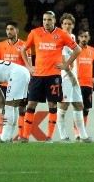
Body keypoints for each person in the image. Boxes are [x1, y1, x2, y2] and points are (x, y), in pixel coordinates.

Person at [19, 11, 82, 142]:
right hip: (38, 75)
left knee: (52, 105)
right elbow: (23, 49)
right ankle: (24, 136)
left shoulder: (62, 34)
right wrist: (29, 67)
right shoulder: (35, 33)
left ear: (54, 21)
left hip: (54, 75)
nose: (46, 22)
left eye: (49, 20)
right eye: (44, 20)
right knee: (31, 104)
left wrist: (66, 65)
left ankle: (49, 137)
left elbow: (77, 50)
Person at [55, 14, 92, 143]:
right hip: (65, 77)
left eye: (69, 23)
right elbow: (64, 61)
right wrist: (71, 76)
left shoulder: (72, 38)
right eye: (65, 23)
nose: (67, 26)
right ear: (61, 25)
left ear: (73, 25)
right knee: (63, 105)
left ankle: (83, 136)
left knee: (79, 105)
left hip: (73, 76)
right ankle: (63, 136)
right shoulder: (61, 38)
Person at [0, 20, 27, 141]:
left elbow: (27, 65)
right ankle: (1, 134)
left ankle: (19, 135)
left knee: (19, 109)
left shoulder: (24, 46)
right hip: (4, 82)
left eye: (11, 29)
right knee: (3, 109)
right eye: (7, 29)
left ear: (17, 30)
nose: (9, 32)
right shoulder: (0, 46)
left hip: (18, 83)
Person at [75, 28, 94, 133]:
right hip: (76, 84)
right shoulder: (74, 50)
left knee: (85, 109)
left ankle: (83, 132)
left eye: (86, 36)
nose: (84, 38)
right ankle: (77, 133)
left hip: (88, 84)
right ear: (78, 38)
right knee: (77, 109)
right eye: (82, 36)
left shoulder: (93, 51)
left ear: (89, 38)